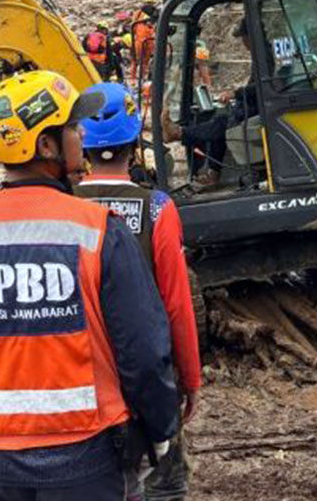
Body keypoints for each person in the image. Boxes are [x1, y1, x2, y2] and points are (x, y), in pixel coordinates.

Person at [0, 71, 180, 501]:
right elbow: (144, 350)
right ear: (46, 145)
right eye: (72, 127)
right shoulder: (97, 232)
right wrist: (159, 427)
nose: (81, 135)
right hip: (88, 456)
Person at [75, 83, 202, 501]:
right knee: (162, 485)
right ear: (135, 140)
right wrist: (189, 378)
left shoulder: (61, 206)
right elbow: (177, 306)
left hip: (81, 380)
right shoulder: (158, 209)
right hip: (147, 379)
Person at [161, 19, 258, 187]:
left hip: (260, 111)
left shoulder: (266, 57)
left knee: (221, 123)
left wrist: (236, 93)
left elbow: (263, 87)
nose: (243, 42)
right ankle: (213, 172)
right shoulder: (262, 56)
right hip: (255, 108)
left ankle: (179, 133)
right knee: (221, 119)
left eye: (243, 37)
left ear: (250, 37)